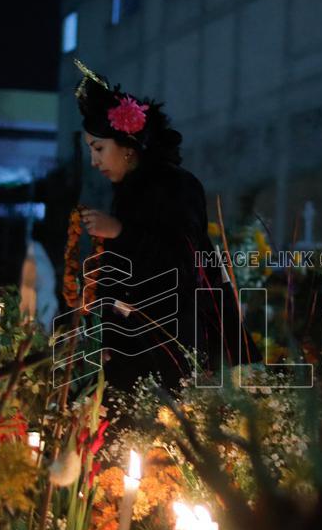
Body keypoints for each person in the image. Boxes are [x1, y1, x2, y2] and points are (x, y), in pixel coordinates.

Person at [73, 60, 257, 395]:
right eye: (90, 150)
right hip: (135, 344)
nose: (94, 161)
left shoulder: (175, 186)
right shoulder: (127, 195)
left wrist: (121, 231)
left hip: (180, 340)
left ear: (127, 148)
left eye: (99, 149)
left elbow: (183, 262)